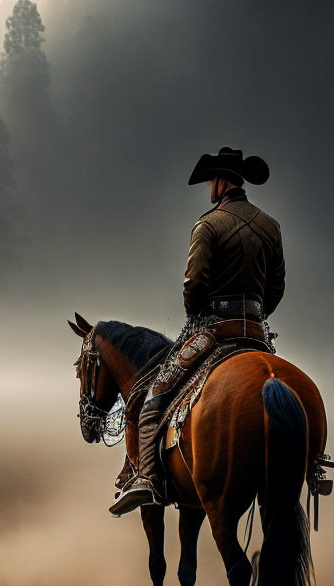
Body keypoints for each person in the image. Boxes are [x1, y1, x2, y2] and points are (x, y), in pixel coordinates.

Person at [110, 147, 285, 516]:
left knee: (155, 395)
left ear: (221, 181)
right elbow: (276, 289)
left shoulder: (207, 224)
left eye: (210, 180)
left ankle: (147, 478)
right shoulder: (271, 226)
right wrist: (254, 315)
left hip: (215, 332)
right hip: (256, 332)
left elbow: (193, 284)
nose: (209, 186)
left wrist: (198, 315)